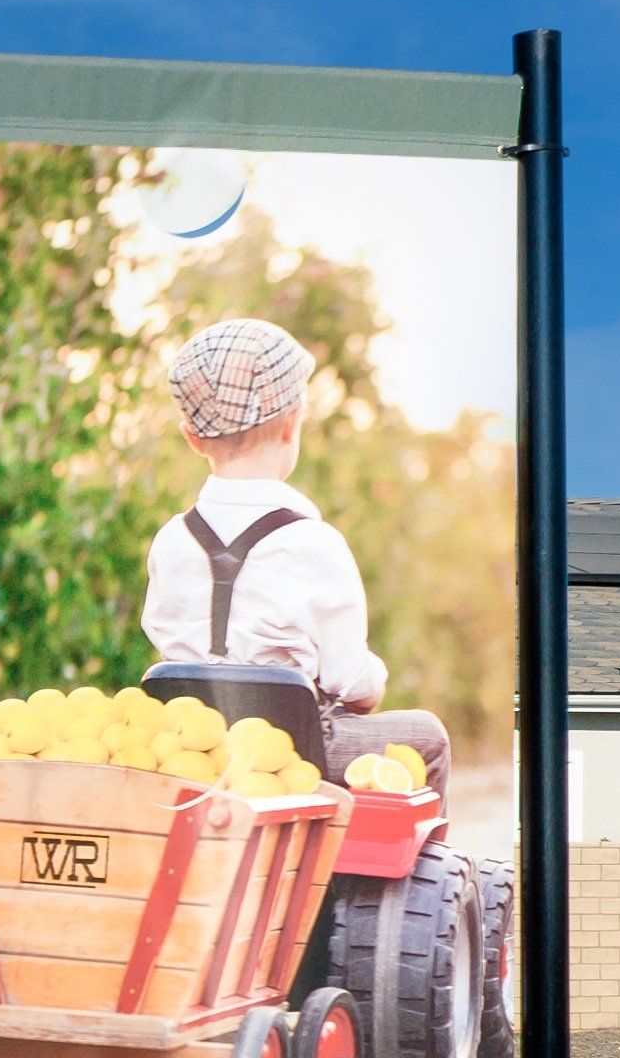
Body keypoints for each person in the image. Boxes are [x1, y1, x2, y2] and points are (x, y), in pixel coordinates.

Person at [139, 316, 449, 798]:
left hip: (193, 752)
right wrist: (372, 684)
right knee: (427, 737)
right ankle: (378, 874)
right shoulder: (314, 544)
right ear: (292, 423)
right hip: (293, 754)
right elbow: (353, 685)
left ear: (192, 438)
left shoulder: (170, 541)